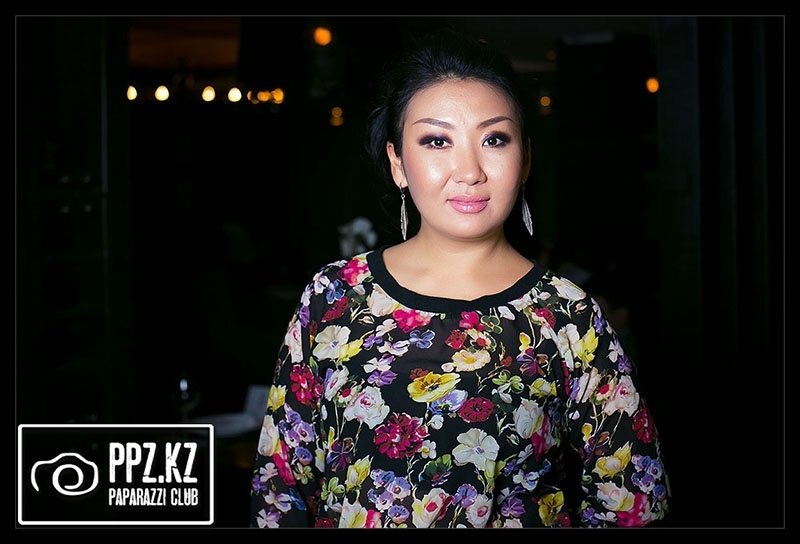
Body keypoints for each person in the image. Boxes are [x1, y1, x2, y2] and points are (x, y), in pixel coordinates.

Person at [250, 30, 670, 528]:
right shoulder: (335, 296)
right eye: (436, 141)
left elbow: (635, 504)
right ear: (397, 163)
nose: (469, 171)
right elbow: (280, 491)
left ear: (525, 158)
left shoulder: (567, 315)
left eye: (494, 139)